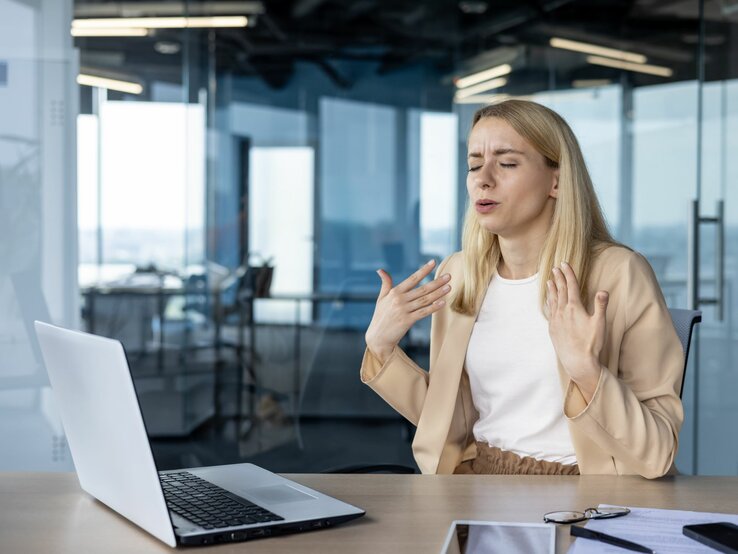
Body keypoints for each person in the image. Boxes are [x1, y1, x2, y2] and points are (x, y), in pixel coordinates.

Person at [361, 99, 684, 478]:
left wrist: (587, 371)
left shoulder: (619, 274)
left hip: (585, 498)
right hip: (477, 482)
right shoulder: (460, 274)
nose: (483, 178)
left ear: (556, 181)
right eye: (474, 164)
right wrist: (381, 349)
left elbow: (657, 454)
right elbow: (450, 422)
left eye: (507, 163)